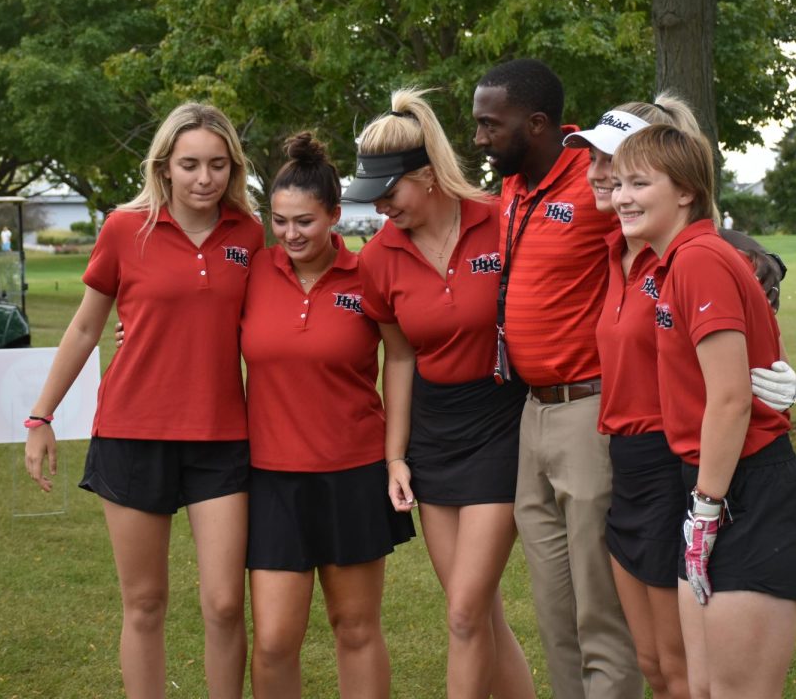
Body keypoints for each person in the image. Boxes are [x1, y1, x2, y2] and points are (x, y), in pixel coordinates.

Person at [24, 103, 263, 699]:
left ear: (232, 167)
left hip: (221, 439)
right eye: (189, 165)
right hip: (133, 432)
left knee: (226, 602)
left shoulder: (251, 235)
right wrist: (40, 416)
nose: (204, 178)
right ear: (163, 167)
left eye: (216, 164)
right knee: (145, 602)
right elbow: (84, 329)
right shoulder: (124, 229)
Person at [564, 95, 796, 699]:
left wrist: (775, 380)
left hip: (692, 472)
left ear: (679, 184)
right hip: (637, 464)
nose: (604, 180)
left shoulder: (693, 255)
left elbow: (732, 380)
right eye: (606, 170)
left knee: (696, 679)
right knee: (667, 670)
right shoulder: (614, 246)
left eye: (624, 171)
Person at [611, 124, 796, 699]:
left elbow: (729, 400)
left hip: (750, 494)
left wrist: (704, 513)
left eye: (639, 182)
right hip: (710, 490)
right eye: (617, 183)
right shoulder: (674, 262)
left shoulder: (700, 258)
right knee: (702, 687)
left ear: (685, 191)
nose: (621, 196)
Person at [346, 89, 536, 699]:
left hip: (501, 423)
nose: (379, 207)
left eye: (390, 192)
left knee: (463, 613)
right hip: (433, 434)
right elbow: (398, 357)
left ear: (426, 176)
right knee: (477, 612)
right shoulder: (378, 258)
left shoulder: (498, 219)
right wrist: (395, 455)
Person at [472, 58, 642, 699]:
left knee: (599, 607)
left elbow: (678, 211)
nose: (480, 138)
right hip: (531, 413)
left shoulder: (596, 179)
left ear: (535, 123)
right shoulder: (514, 185)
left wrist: (756, 255)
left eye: (491, 125)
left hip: (587, 410)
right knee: (552, 606)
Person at [242, 132, 414, 699]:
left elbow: (403, 357)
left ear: (335, 216)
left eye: (305, 222)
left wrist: (394, 456)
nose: (290, 234)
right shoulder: (252, 272)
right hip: (272, 478)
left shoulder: (367, 274)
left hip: (353, 473)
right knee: (272, 640)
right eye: (280, 221)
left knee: (356, 628)